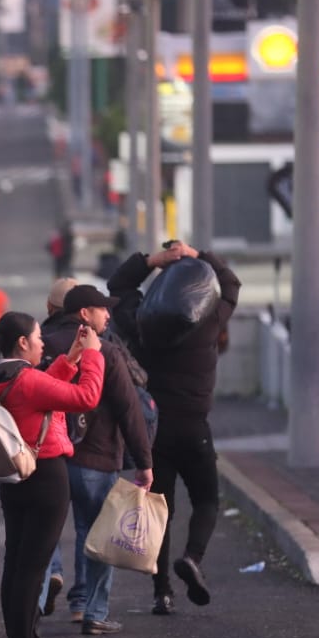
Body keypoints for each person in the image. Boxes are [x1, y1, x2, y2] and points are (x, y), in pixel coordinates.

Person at [0, 311, 104, 638]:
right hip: (45, 477)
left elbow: (37, 391)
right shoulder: (27, 381)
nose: (43, 343)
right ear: (23, 342)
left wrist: (71, 358)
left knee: (16, 564)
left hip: (13, 476)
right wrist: (92, 355)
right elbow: (86, 397)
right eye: (38, 337)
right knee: (33, 568)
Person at [108, 240, 241, 614]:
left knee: (159, 510)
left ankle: (162, 592)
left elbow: (118, 286)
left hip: (155, 432)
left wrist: (153, 260)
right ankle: (193, 557)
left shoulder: (139, 323)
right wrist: (198, 256)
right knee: (207, 500)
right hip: (195, 428)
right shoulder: (209, 322)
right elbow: (231, 285)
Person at [41, 286, 154, 635]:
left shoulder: (43, 345)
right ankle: (92, 611)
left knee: (42, 535)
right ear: (84, 314)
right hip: (97, 459)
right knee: (97, 536)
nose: (108, 314)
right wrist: (144, 462)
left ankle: (36, 604)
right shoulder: (106, 350)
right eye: (102, 309)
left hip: (51, 459)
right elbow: (129, 410)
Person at [38, 277, 79, 617]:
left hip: (50, 445)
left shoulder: (40, 343)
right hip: (96, 448)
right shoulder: (101, 342)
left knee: (45, 521)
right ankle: (85, 605)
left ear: (50, 307)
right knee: (89, 525)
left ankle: (51, 573)